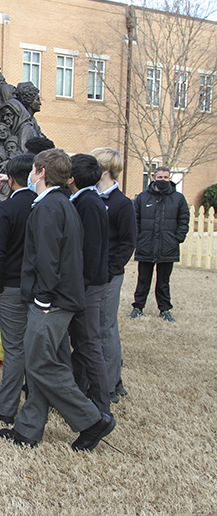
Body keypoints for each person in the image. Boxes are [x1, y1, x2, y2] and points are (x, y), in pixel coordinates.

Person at [0, 149, 115, 451]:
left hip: (51, 303)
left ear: (40, 173)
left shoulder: (50, 207)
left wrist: (43, 299)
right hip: (57, 300)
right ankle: (28, 428)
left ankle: (92, 420)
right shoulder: (59, 203)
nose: (31, 174)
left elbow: (47, 260)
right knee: (44, 362)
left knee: (40, 363)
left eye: (35, 170)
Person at [0, 153, 36, 424]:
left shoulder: (6, 209)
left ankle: (5, 408)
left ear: (10, 179)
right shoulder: (43, 204)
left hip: (12, 287)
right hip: (39, 287)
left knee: (14, 348)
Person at [90, 147, 135, 402]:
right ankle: (113, 379)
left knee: (104, 328)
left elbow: (127, 244)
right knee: (105, 327)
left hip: (107, 276)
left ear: (105, 170)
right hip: (95, 274)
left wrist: (109, 272)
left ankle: (107, 387)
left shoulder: (121, 204)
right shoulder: (91, 197)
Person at [67, 154, 110, 416]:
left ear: (71, 178)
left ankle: (101, 405)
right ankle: (79, 393)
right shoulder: (84, 201)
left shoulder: (89, 205)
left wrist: (78, 288)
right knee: (82, 344)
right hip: (86, 284)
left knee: (89, 344)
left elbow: (90, 253)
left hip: (88, 286)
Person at [130, 166, 189, 322]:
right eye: (160, 177)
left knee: (163, 281)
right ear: (154, 178)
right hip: (146, 245)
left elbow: (184, 219)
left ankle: (164, 309)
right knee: (143, 279)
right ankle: (138, 307)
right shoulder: (142, 198)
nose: (163, 180)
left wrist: (177, 238)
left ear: (169, 179)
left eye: (166, 177)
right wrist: (138, 238)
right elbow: (134, 220)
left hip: (167, 247)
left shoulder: (178, 198)